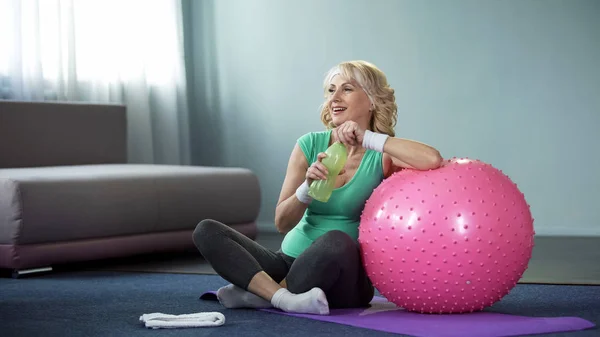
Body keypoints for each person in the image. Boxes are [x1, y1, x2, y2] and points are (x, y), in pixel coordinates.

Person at [193, 60, 443, 315]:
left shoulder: (381, 154)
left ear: (372, 101)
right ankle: (280, 296)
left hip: (344, 276)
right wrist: (306, 189)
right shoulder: (309, 144)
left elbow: (432, 159)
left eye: (346, 89)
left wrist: (368, 138)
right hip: (289, 261)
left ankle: (262, 293)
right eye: (331, 90)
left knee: (337, 241)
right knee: (207, 230)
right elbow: (282, 223)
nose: (334, 98)